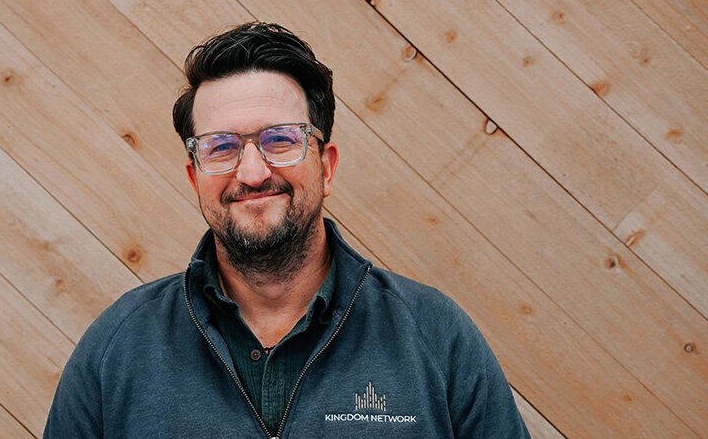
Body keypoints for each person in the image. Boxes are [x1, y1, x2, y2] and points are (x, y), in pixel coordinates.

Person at [44, 22, 529, 438]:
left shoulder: (435, 337)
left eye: (280, 140)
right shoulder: (118, 348)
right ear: (195, 178)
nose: (252, 172)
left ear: (327, 166)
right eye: (221, 147)